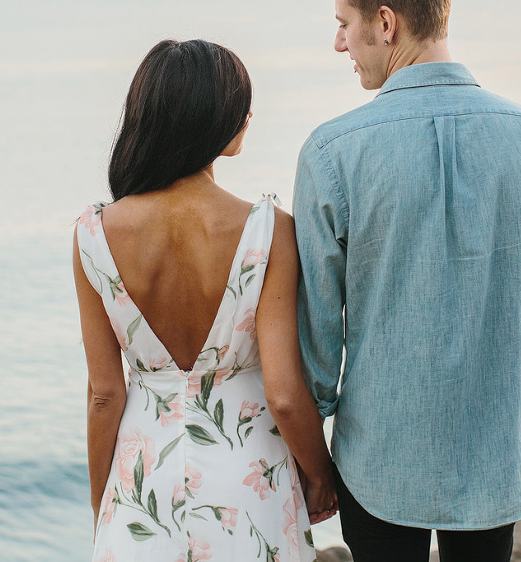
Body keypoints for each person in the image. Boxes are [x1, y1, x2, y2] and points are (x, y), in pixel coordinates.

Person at [293, 0, 521, 562]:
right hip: (490, 460)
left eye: (345, 23)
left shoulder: (332, 152)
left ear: (386, 22)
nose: (339, 41)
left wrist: (312, 465)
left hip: (375, 463)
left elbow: (317, 335)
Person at [73, 39, 337, 562]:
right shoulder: (267, 230)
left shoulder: (94, 233)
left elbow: (105, 394)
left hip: (141, 488)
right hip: (249, 484)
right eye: (241, 102)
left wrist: (106, 507)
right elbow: (283, 394)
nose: (250, 114)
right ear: (208, 117)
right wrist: (321, 475)